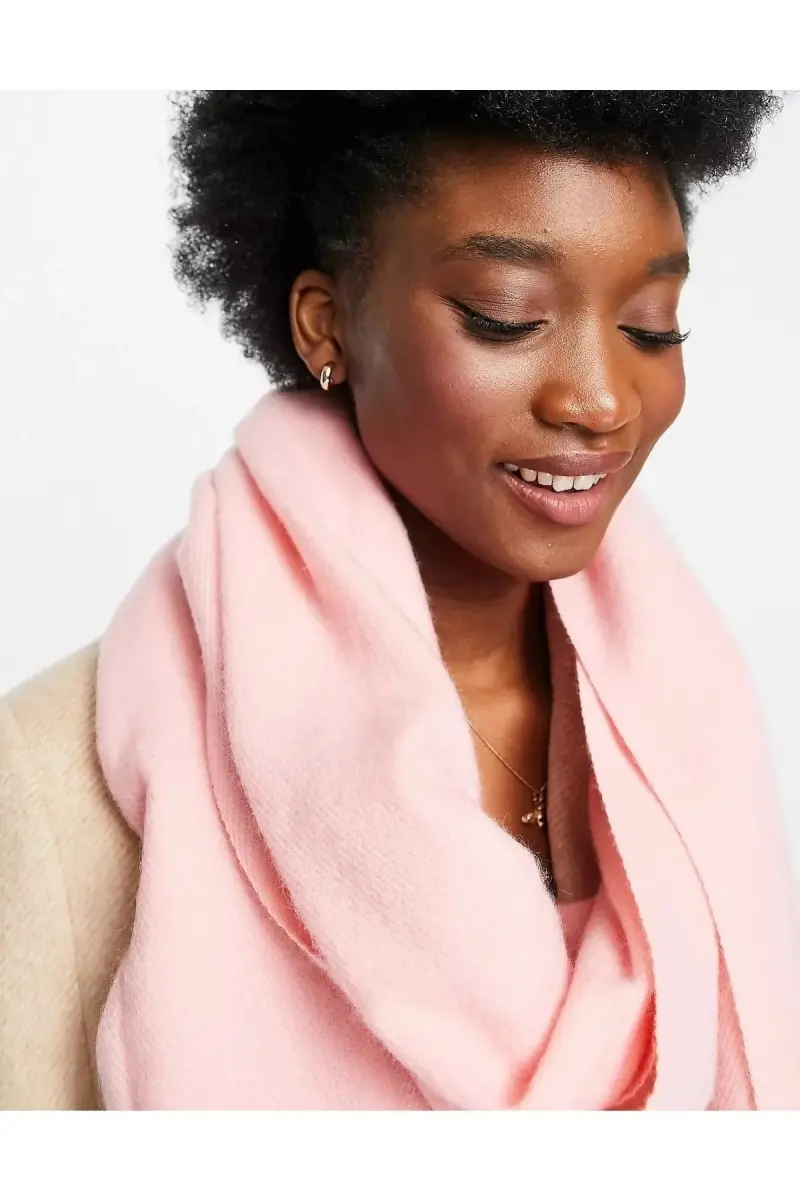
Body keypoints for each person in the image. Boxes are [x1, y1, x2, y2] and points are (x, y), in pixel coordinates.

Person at [2, 90, 798, 1111]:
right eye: (506, 317)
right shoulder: (48, 783)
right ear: (325, 325)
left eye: (650, 326)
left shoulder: (692, 718)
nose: (600, 400)